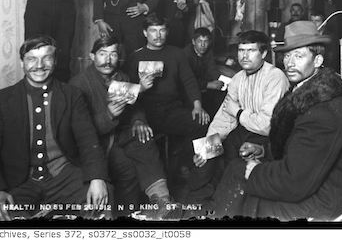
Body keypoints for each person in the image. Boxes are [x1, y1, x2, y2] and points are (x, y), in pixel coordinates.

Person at [213, 21, 342, 220]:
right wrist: (264, 151)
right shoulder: (308, 93)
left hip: (321, 204)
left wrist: (254, 172)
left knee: (242, 181)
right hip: (310, 186)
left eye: (299, 56)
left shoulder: (324, 112)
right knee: (236, 167)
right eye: (287, 55)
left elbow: (295, 183)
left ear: (317, 61)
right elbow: (301, 149)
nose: (289, 63)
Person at [0, 36, 109, 221]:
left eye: (47, 58)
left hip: (65, 177)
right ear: (22, 63)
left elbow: (88, 141)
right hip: (19, 181)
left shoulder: (72, 95)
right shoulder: (0, 100)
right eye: (31, 59)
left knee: (102, 206)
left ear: (55, 61)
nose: (39, 65)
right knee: (2, 218)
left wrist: (97, 178)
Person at [69, 36, 175, 217]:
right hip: (99, 141)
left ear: (119, 57)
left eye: (113, 55)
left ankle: (162, 200)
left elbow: (136, 107)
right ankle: (126, 213)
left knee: (144, 140)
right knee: (126, 166)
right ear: (92, 56)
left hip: (121, 133)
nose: (108, 60)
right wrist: (108, 114)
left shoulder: (122, 77)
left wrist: (138, 121)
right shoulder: (78, 84)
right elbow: (79, 132)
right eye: (102, 54)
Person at [190, 30, 289, 204]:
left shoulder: (275, 78)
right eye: (241, 50)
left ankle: (232, 203)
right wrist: (208, 144)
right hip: (243, 130)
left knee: (239, 157)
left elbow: (266, 125)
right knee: (206, 157)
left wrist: (238, 112)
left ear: (264, 53)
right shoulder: (237, 79)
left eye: (251, 51)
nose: (244, 56)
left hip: (270, 137)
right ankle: (198, 205)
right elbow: (224, 117)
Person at [124, 14, 210, 194]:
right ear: (144, 33)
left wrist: (197, 105)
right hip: (146, 112)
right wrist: (137, 116)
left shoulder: (176, 53)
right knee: (142, 140)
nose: (158, 35)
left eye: (162, 30)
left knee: (204, 122)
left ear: (167, 32)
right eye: (153, 31)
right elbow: (127, 94)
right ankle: (175, 172)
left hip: (172, 109)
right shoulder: (135, 56)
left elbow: (189, 81)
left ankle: (200, 172)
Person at [183, 28, 227, 116]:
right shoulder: (185, 55)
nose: (203, 45)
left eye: (206, 41)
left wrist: (221, 80)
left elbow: (212, 69)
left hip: (204, 85)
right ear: (193, 42)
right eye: (199, 41)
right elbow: (187, 81)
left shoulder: (208, 51)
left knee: (224, 97)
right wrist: (208, 85)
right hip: (189, 91)